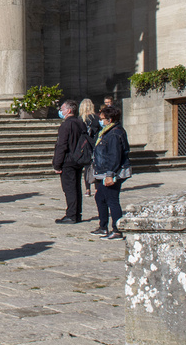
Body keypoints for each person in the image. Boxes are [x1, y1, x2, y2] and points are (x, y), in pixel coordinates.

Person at [91, 103, 130, 239]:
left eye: (102, 118)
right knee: (100, 197)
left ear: (110, 120)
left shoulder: (114, 134)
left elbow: (114, 155)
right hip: (105, 170)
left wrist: (110, 174)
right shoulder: (107, 132)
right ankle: (103, 227)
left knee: (112, 199)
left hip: (112, 172)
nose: (100, 121)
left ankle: (118, 229)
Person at [52, 98, 86, 224]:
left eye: (62, 109)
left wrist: (57, 164)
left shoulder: (66, 125)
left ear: (69, 110)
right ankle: (77, 213)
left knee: (69, 189)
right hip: (78, 159)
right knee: (77, 187)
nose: (60, 111)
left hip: (68, 161)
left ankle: (71, 215)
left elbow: (62, 145)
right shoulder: (80, 123)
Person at [78, 98, 97, 197]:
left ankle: (88, 189)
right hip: (94, 144)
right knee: (96, 166)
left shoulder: (80, 119)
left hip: (84, 145)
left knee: (87, 168)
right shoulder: (96, 118)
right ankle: (97, 188)